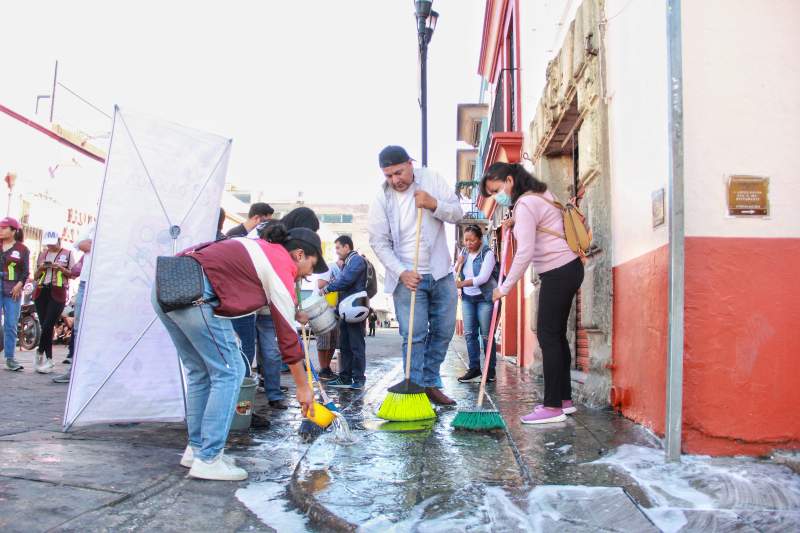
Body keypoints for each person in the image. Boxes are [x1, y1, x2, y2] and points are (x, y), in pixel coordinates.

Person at [153, 224, 326, 481]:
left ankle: (198, 449)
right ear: (299, 254)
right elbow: (287, 336)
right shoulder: (280, 262)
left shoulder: (259, 248)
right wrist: (303, 387)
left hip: (166, 289)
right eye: (311, 268)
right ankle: (209, 459)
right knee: (231, 371)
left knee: (201, 372)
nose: (305, 276)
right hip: (196, 295)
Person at [480, 162, 584, 425]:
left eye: (496, 190)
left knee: (548, 336)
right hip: (570, 268)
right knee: (557, 336)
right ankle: (564, 400)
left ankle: (552, 407)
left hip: (557, 271)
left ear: (510, 181)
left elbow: (524, 252)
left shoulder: (525, 205)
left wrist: (503, 288)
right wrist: (516, 221)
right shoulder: (541, 194)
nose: (496, 197)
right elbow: (541, 224)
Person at [368, 145, 463, 405]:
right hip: (407, 277)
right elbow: (378, 242)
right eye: (388, 176)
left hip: (441, 271)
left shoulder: (431, 179)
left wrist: (434, 204)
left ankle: (429, 381)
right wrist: (401, 272)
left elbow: (457, 213)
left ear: (410, 163)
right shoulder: (381, 199)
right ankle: (415, 387)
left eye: (398, 172)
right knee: (414, 333)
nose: (395, 180)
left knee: (444, 331)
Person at [253, 206, 320, 409]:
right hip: (254, 305)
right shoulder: (276, 246)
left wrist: (294, 307)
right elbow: (287, 336)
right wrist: (302, 386)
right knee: (244, 357)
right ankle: (243, 408)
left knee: (270, 351)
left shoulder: (289, 254)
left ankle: (271, 394)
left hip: (264, 305)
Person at [322, 235, 368, 390]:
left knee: (356, 344)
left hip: (354, 308)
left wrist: (328, 288)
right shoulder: (348, 262)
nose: (336, 251)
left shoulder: (356, 261)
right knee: (345, 345)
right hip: (346, 308)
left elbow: (346, 280)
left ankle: (359, 378)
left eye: (338, 248)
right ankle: (345, 377)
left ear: (347, 247)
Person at [454, 225, 498, 384]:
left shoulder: (488, 254)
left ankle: (490, 371)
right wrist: (458, 264)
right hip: (468, 299)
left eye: (472, 240)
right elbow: (454, 275)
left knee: (486, 335)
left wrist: (462, 284)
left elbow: (483, 278)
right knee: (469, 334)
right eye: (466, 240)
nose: (468, 243)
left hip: (484, 298)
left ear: (480, 239)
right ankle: (474, 368)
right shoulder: (463, 254)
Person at [53, 223, 94, 383]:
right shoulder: (92, 224)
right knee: (78, 329)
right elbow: (81, 243)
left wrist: (93, 244)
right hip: (85, 281)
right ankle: (75, 371)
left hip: (104, 281)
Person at [33, 230, 76, 374]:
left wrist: (60, 268)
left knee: (48, 324)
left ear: (59, 241)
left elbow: (73, 274)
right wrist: (41, 268)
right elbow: (35, 275)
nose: (49, 247)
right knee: (45, 326)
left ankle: (41, 353)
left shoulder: (68, 254)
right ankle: (48, 360)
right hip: (41, 291)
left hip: (58, 292)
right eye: (48, 244)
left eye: (52, 243)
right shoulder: (42, 254)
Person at [0, 218, 29, 372]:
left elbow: (25, 272)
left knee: (11, 325)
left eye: (4, 228)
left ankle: (10, 358)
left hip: (13, 290)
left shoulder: (23, 249)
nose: (1, 230)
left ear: (13, 231)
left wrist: (19, 284)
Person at [314, 260, 341, 380]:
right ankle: (323, 369)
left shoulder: (343, 270)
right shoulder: (330, 267)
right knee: (324, 340)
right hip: (322, 307)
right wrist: (336, 283)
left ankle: (327, 368)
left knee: (333, 341)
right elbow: (320, 284)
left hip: (334, 308)